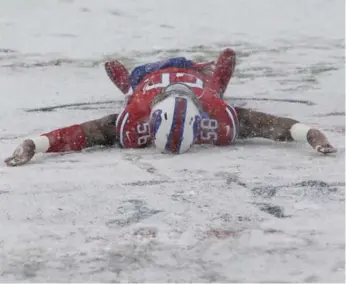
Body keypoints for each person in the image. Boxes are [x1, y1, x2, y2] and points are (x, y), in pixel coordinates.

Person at [4, 49, 336, 167]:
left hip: (153, 81)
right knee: (214, 90)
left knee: (134, 90)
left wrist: (37, 143)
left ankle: (128, 83)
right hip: (186, 81)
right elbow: (274, 126)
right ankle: (217, 76)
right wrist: (309, 134)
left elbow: (81, 134)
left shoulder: (136, 120)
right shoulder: (216, 121)